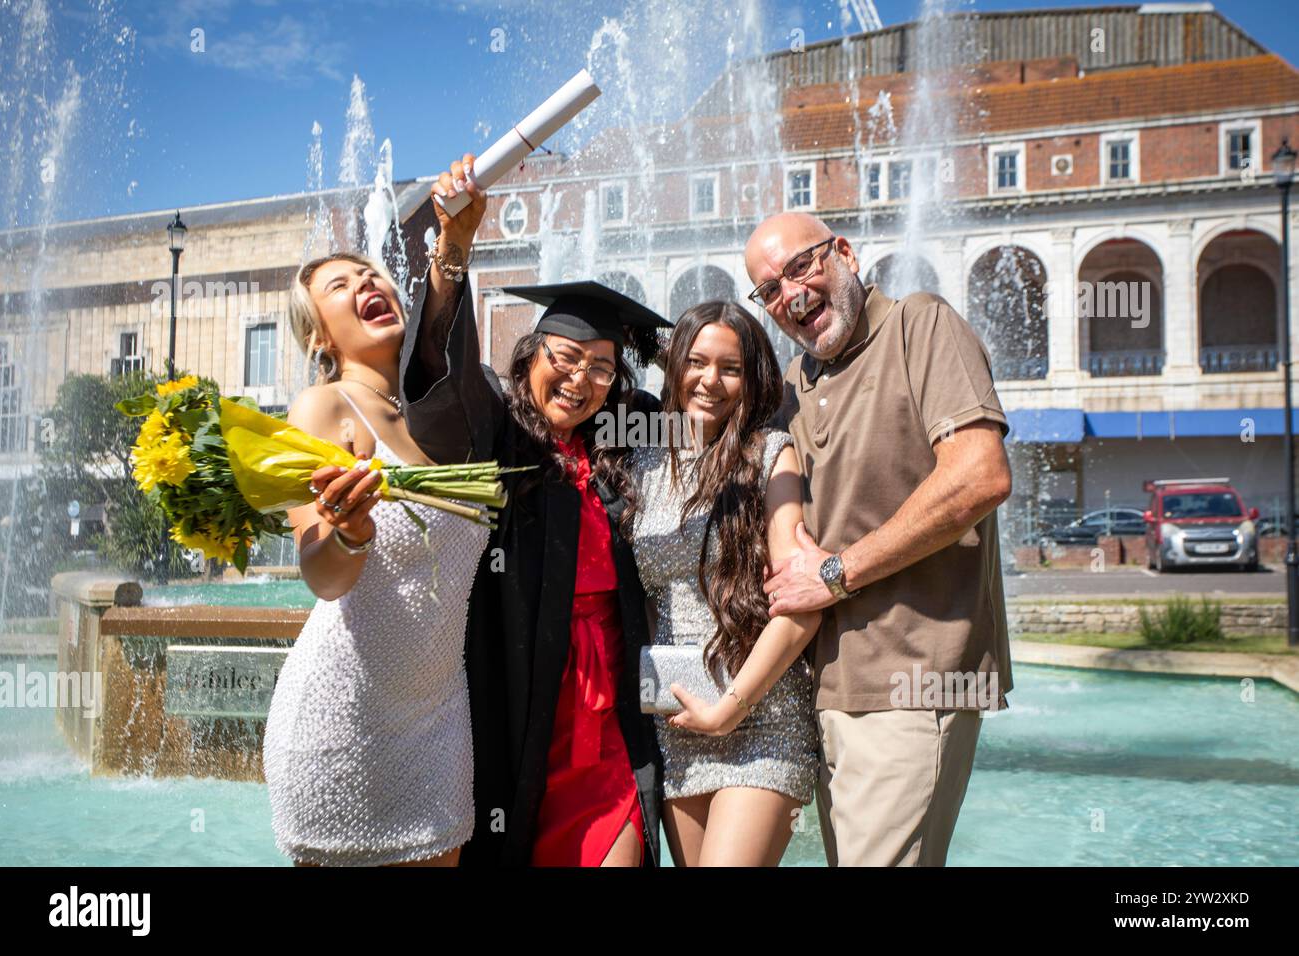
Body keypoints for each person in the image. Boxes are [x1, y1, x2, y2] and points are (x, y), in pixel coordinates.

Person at [398, 155, 672, 866]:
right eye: (566, 356)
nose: (581, 378)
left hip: (613, 716)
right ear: (529, 357)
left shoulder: (622, 446)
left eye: (602, 368)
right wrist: (452, 254)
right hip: (522, 708)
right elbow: (441, 373)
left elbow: (707, 424)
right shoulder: (501, 434)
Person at [744, 211, 1014, 867]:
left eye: (801, 266)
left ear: (844, 252)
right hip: (828, 687)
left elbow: (979, 476)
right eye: (770, 289)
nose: (791, 294)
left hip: (914, 680)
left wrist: (837, 571)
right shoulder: (791, 387)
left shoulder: (920, 324)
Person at [262, 247, 489, 866]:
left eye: (372, 275)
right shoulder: (323, 408)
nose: (366, 283)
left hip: (438, 721)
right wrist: (350, 533)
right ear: (319, 335)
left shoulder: (446, 414)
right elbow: (320, 572)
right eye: (341, 285)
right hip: (343, 719)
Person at [628, 300, 820, 867]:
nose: (710, 380)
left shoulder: (771, 457)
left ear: (751, 376)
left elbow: (801, 604)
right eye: (696, 361)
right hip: (676, 717)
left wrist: (732, 707)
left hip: (760, 715)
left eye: (730, 367)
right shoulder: (641, 460)